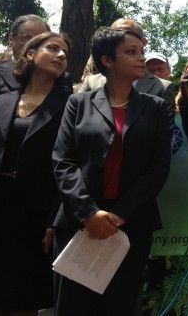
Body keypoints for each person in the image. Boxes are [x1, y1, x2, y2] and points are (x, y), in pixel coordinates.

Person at [52, 27, 173, 315]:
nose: (141, 58)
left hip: (130, 226)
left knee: (120, 306)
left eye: (141, 51)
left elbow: (159, 168)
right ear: (107, 61)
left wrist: (120, 215)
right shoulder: (78, 103)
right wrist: (89, 213)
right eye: (131, 52)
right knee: (72, 307)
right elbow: (63, 161)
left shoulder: (156, 108)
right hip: (80, 224)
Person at [0, 31, 71, 314]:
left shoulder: (71, 105)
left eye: (65, 53)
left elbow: (69, 164)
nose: (61, 55)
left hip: (36, 214)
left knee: (24, 298)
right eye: (53, 48)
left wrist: (55, 219)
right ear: (30, 54)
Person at [79, 18, 176, 114]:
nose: (121, 37)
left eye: (128, 33)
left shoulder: (163, 88)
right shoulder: (91, 82)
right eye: (114, 33)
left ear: (142, 42)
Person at [0, 14, 49, 126]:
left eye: (42, 41)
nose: (34, 45)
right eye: (28, 38)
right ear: (11, 39)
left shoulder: (58, 77)